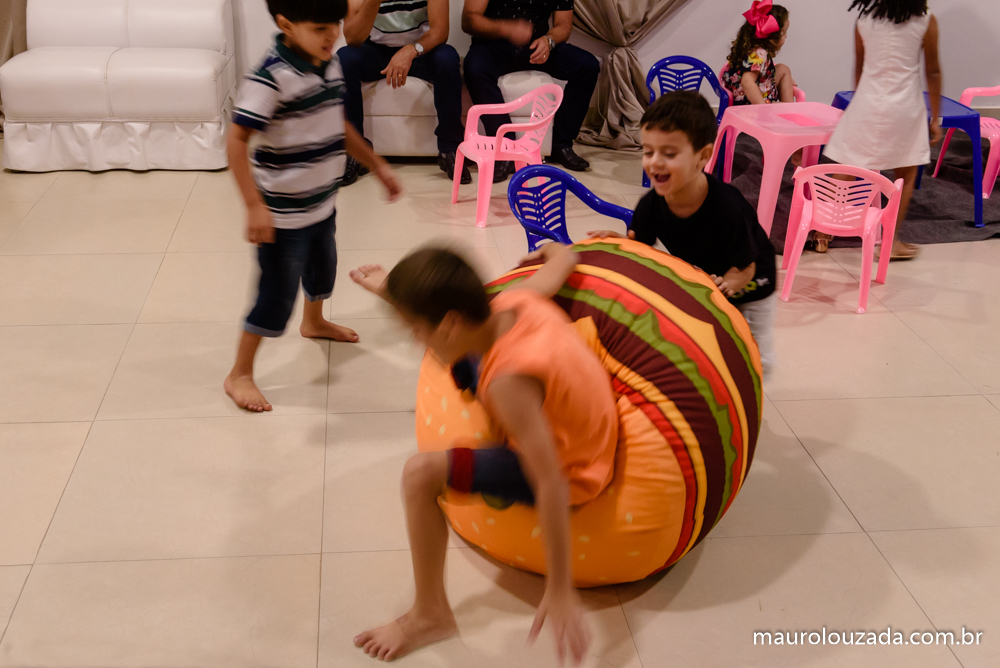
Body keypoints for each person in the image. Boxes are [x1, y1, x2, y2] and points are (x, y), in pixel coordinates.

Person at [348, 243, 615, 663]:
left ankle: (430, 615)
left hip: (572, 465)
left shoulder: (508, 383)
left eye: (416, 329)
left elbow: (551, 480)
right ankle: (402, 299)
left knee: (419, 474)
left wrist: (560, 586)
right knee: (462, 357)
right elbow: (564, 261)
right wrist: (556, 250)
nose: (416, 342)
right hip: (579, 420)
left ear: (450, 322)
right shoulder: (515, 300)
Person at [224, 0, 403, 412]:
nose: (332, 35)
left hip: (322, 202)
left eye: (335, 25)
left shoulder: (329, 62)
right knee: (275, 295)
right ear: (286, 24)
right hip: (283, 216)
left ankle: (314, 321)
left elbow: (337, 124)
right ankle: (240, 374)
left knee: (323, 268)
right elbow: (236, 141)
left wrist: (376, 164)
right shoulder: (270, 77)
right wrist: (253, 205)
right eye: (320, 28)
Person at [589, 91, 777, 380]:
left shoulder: (729, 208)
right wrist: (619, 244)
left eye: (669, 154)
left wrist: (724, 287)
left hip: (750, 284)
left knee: (752, 354)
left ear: (703, 156)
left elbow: (746, 267)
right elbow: (641, 251)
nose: (655, 162)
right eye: (648, 151)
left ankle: (754, 388)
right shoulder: (651, 206)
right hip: (709, 280)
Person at [823, 0, 942, 261]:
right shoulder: (926, 20)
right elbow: (932, 72)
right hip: (905, 106)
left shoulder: (864, 20)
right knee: (906, 171)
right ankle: (890, 241)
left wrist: (860, 104)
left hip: (867, 101)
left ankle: (822, 231)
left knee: (847, 163)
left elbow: (859, 68)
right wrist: (936, 117)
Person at [461, 0, 600, 181]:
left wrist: (549, 41)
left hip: (536, 45)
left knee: (588, 66)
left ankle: (561, 145)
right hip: (492, 46)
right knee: (474, 68)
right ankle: (505, 149)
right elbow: (469, 19)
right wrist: (506, 28)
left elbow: (564, 25)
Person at [338, 0, 470, 186]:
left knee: (447, 58)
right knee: (344, 59)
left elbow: (440, 30)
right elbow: (352, 38)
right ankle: (357, 154)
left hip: (420, 49)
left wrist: (411, 50)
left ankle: (450, 148)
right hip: (376, 49)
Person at [720, 1, 796, 107]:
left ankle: (789, 108)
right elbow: (747, 82)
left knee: (783, 69)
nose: (786, 36)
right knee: (784, 70)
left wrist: (785, 80)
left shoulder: (750, 46)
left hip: (745, 89)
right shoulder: (758, 53)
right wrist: (762, 107)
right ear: (772, 37)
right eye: (784, 33)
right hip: (750, 102)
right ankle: (789, 109)